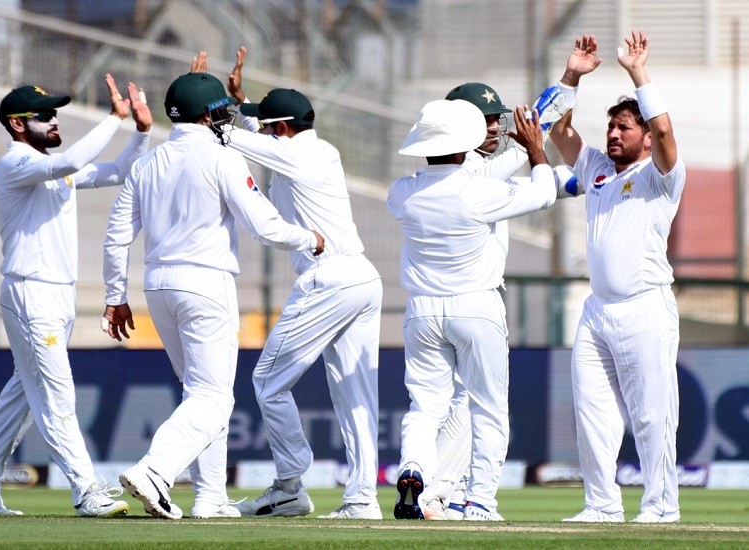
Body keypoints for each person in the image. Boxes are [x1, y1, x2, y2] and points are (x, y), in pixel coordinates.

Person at [103, 71, 325, 520]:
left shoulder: (147, 164)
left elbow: (117, 235)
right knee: (214, 398)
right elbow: (262, 224)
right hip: (205, 282)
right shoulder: (223, 158)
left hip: (158, 286)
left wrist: (115, 295)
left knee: (201, 394)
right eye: (220, 109)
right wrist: (310, 238)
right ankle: (155, 470)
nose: (226, 116)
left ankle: (210, 498)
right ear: (206, 115)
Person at [192, 47, 383, 520]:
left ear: (280, 127)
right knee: (356, 396)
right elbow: (257, 133)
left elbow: (231, 136)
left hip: (328, 279)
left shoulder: (298, 154)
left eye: (267, 123)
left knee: (267, 381)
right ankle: (362, 499)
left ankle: (290, 485)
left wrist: (203, 98)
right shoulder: (310, 147)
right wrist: (242, 102)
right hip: (360, 277)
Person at [0, 75, 153, 517]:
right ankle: (87, 491)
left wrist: (140, 132)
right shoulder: (16, 163)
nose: (54, 120)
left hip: (57, 295)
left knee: (24, 396)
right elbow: (73, 160)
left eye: (55, 113)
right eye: (44, 115)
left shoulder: (52, 166)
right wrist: (114, 118)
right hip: (31, 292)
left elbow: (118, 171)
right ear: (17, 124)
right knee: (58, 395)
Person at [388, 99, 555, 522]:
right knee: (488, 409)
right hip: (475, 306)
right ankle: (480, 502)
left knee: (424, 407)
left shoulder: (401, 192)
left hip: (422, 311)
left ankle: (413, 467)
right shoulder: (477, 190)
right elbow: (544, 194)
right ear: (464, 145)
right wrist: (536, 151)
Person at [548, 31, 684, 524]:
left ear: (643, 136)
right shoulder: (597, 169)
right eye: (610, 126)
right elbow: (557, 131)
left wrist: (637, 73)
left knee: (651, 414)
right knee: (592, 412)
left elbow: (665, 133)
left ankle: (661, 506)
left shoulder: (661, 176)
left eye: (624, 127)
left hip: (645, 307)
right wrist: (572, 75)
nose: (612, 134)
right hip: (597, 310)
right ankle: (601, 505)